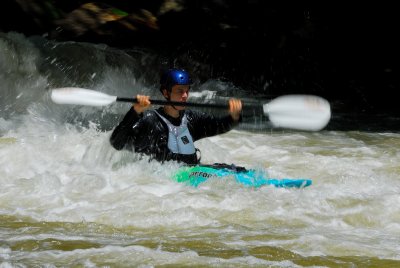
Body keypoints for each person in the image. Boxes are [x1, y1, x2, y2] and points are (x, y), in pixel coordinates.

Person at [110, 68, 242, 165]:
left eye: (186, 90)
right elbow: (117, 143)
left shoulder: (191, 119)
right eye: (180, 91)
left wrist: (233, 117)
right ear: (166, 93)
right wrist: (135, 111)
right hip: (166, 184)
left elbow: (218, 125)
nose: (185, 95)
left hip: (192, 175)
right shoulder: (150, 121)